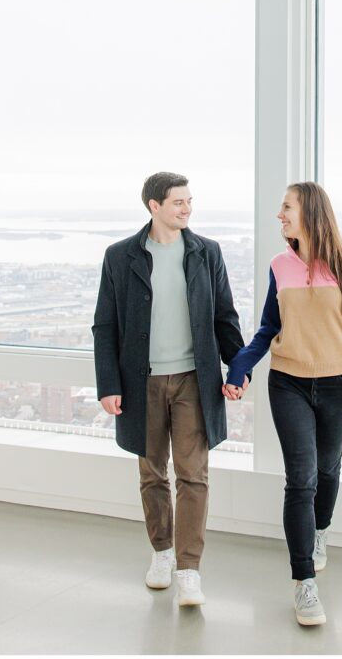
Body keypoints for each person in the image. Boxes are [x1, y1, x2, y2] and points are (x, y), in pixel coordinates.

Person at [92, 172, 248, 607]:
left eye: (189, 201)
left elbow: (224, 317)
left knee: (193, 474)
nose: (187, 209)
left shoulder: (206, 252)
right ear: (153, 206)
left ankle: (189, 569)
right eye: (178, 202)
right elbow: (105, 325)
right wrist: (108, 383)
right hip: (140, 381)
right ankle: (161, 552)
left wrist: (237, 369)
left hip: (193, 380)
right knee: (152, 472)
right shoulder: (120, 256)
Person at [224, 181, 342, 627]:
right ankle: (303, 582)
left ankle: (319, 533)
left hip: (338, 386)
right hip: (288, 384)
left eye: (286, 207)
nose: (280, 215)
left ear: (308, 212)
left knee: (328, 469)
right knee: (301, 480)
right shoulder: (279, 265)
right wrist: (240, 367)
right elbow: (269, 328)